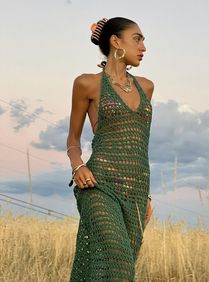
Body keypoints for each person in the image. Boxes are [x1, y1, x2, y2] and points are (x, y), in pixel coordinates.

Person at [67, 17, 154, 282]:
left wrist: (146, 195)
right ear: (116, 42)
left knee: (122, 266)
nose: (144, 47)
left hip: (136, 191)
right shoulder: (87, 83)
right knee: (117, 260)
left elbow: (140, 145)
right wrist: (78, 165)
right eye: (137, 39)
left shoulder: (147, 87)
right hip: (98, 184)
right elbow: (73, 140)